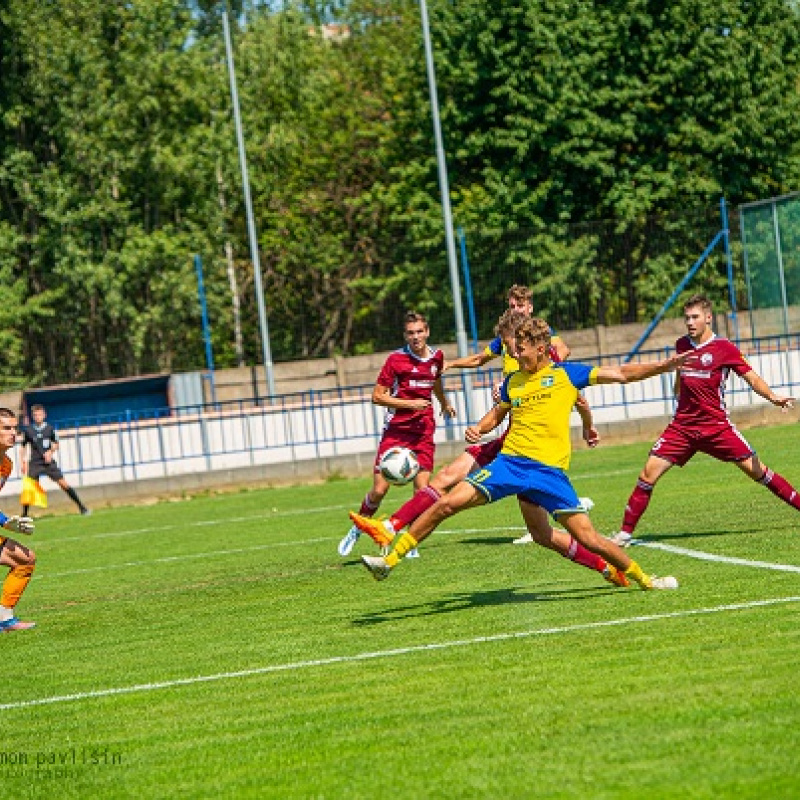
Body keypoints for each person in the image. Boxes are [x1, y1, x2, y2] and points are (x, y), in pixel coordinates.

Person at [359, 317, 690, 589]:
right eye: (514, 350)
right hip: (510, 464)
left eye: (521, 350)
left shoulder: (566, 374)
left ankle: (643, 579)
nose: (516, 356)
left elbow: (621, 374)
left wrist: (664, 366)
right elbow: (497, 415)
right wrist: (481, 428)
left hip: (548, 473)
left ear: (542, 348)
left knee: (572, 536)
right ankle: (389, 560)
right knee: (446, 503)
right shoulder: (513, 381)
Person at [609, 294, 797, 547]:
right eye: (686, 317)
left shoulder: (725, 349)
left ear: (708, 318)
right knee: (648, 474)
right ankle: (624, 535)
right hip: (682, 427)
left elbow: (752, 378)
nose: (690, 322)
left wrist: (773, 396)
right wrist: (678, 386)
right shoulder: (681, 345)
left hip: (716, 427)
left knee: (758, 472)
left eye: (695, 317)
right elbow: (680, 377)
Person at [337, 312, 456, 557]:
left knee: (423, 490)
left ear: (427, 332)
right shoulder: (396, 360)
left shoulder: (437, 357)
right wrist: (410, 404)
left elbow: (434, 380)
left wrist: (443, 401)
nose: (416, 337)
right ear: (405, 336)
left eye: (419, 332)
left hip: (423, 430)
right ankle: (358, 528)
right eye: (411, 333)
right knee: (379, 490)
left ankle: (409, 539)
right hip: (397, 432)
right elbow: (377, 396)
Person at [0, 408, 37, 632]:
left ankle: (4, 617)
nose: (13, 433)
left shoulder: (6, 464)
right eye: (6, 428)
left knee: (25, 560)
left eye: (14, 428)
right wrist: (4, 521)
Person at [21, 404, 90, 516]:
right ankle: (24, 515)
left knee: (63, 484)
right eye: (35, 415)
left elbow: (56, 444)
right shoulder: (29, 431)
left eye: (39, 414)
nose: (37, 417)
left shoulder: (50, 429)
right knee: (29, 488)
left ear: (44, 415)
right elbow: (23, 447)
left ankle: (82, 508)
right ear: (33, 417)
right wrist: (23, 462)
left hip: (48, 463)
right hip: (35, 463)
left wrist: (50, 452)